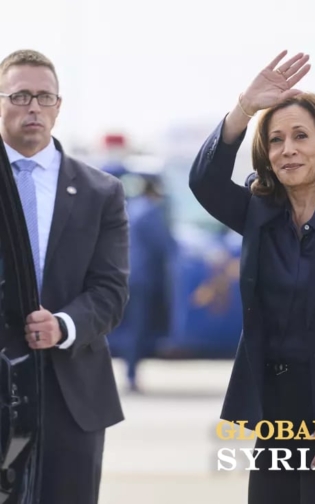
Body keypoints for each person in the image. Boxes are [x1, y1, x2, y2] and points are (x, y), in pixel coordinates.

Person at [189, 50, 315, 503]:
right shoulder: (259, 211)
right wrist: (245, 107)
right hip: (276, 412)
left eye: (300, 136)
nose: (288, 149)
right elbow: (204, 181)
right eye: (277, 139)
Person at [0, 49, 129, 504]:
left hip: (71, 392)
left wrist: (62, 325)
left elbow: (111, 290)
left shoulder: (101, 192)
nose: (33, 107)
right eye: (19, 95)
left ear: (58, 106)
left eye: (43, 97)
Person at [124, 176, 174, 391]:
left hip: (126, 273)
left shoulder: (131, 208)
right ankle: (132, 374)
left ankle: (129, 370)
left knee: (128, 326)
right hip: (144, 277)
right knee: (138, 326)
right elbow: (164, 244)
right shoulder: (151, 212)